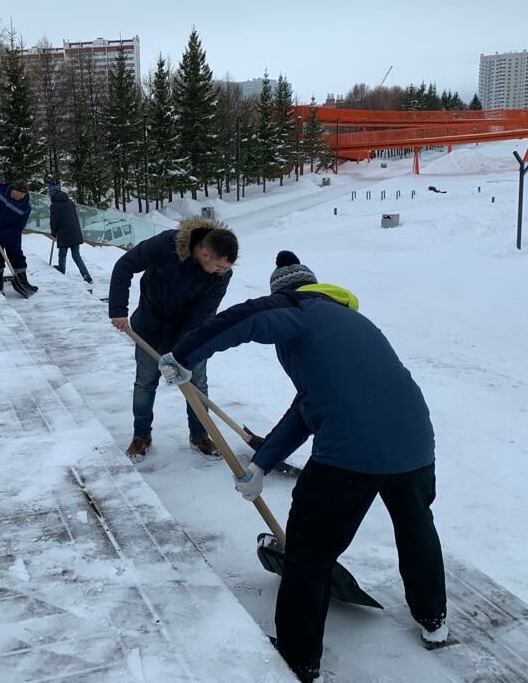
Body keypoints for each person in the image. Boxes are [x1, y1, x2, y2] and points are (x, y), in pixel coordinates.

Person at [158, 251, 448, 683]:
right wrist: (262, 464)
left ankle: (299, 657)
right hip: (416, 445)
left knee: (309, 552)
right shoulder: (354, 323)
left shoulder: (298, 308)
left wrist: (184, 354)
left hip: (352, 451)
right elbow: (308, 407)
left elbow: (244, 318)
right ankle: (434, 619)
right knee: (415, 526)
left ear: (286, 291)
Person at [108, 217, 238, 462]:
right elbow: (125, 265)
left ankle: (200, 435)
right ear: (205, 253)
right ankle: (141, 436)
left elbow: (202, 316)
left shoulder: (220, 276)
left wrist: (181, 355)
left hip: (190, 335)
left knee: (197, 385)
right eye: (221, 266)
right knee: (145, 383)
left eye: (228, 268)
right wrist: (117, 309)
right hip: (150, 328)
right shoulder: (166, 244)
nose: (224, 272)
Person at [49, 183, 92, 283]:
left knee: (62, 254)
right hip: (75, 232)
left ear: (53, 193)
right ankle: (86, 275)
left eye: (50, 193)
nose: (49, 194)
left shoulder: (55, 205)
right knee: (76, 255)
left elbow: (54, 220)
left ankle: (61, 270)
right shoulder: (70, 202)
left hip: (64, 233)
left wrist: (53, 232)